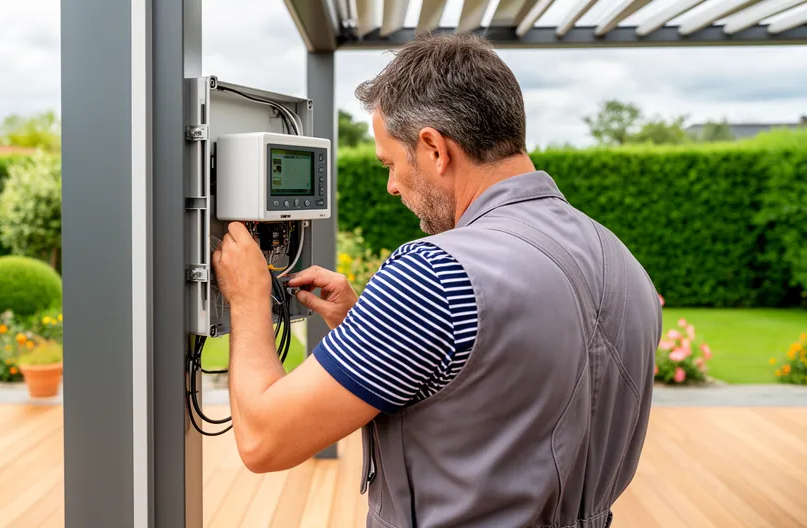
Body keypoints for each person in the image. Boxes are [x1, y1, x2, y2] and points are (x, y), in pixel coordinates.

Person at [211, 32, 661, 528]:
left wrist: (249, 298)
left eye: (391, 163)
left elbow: (264, 439)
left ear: (433, 148)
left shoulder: (433, 273)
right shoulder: (621, 260)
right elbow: (505, 378)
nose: (391, 185)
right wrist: (368, 325)